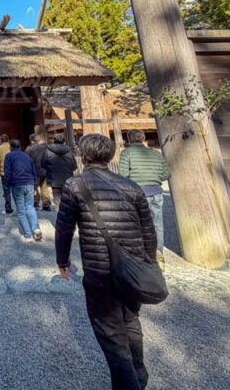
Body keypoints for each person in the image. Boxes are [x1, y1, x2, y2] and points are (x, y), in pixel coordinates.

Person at [56, 134, 157, 390]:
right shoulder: (131, 187)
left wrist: (62, 259)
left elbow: (64, 227)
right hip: (133, 266)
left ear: (84, 156)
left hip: (99, 269)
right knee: (130, 320)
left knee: (110, 333)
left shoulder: (74, 185)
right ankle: (139, 375)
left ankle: (129, 384)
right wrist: (149, 262)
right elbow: (149, 230)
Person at [118, 129, 171, 270]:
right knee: (157, 225)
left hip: (137, 193)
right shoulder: (156, 154)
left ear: (129, 139)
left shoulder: (126, 153)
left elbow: (123, 175)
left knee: (138, 225)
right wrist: (154, 178)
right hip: (156, 192)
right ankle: (158, 255)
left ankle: (141, 256)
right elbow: (167, 173)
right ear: (143, 139)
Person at [3, 139, 42, 242]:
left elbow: (7, 172)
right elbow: (34, 173)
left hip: (17, 184)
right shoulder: (27, 157)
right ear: (20, 147)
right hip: (29, 183)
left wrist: (10, 182)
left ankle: (28, 235)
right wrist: (35, 187)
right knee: (30, 207)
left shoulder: (9, 156)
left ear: (10, 147)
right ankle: (36, 228)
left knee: (21, 211)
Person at [41, 133, 78, 212]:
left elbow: (43, 164)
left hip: (54, 179)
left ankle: (60, 216)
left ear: (54, 140)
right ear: (64, 141)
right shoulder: (69, 151)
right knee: (68, 199)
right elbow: (74, 166)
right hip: (68, 179)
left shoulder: (48, 150)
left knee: (57, 200)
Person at [25, 133, 52, 211]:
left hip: (34, 171)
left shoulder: (29, 148)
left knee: (34, 187)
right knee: (44, 187)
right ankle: (46, 204)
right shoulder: (44, 148)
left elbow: (26, 160)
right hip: (44, 169)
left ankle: (36, 202)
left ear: (32, 140)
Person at [0, 134, 13, 215]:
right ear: (8, 140)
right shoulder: (12, 147)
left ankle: (8, 209)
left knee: (7, 191)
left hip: (4, 172)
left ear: (0, 141)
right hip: (14, 172)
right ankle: (21, 208)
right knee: (17, 191)